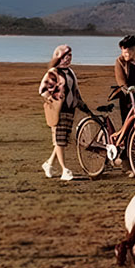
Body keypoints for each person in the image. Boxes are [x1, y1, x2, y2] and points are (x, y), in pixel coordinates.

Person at [39, 44, 90, 181]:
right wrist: (54, 98)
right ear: (58, 57)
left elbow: (76, 92)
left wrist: (84, 107)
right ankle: (64, 170)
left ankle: (49, 164)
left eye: (70, 56)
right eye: (64, 56)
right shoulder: (53, 72)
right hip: (58, 111)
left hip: (70, 110)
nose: (67, 59)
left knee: (62, 140)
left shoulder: (71, 73)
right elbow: (43, 90)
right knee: (60, 141)